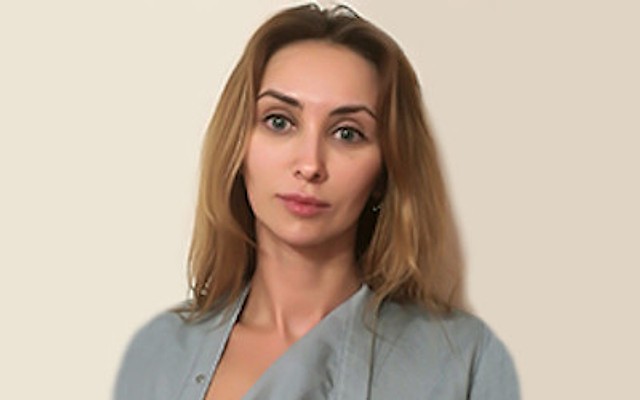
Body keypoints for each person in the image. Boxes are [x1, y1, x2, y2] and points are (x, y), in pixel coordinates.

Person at [114, 3, 519, 399]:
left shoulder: (464, 362)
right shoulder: (157, 354)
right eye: (279, 122)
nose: (310, 165)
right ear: (238, 146)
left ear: (385, 171)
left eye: (347, 133)